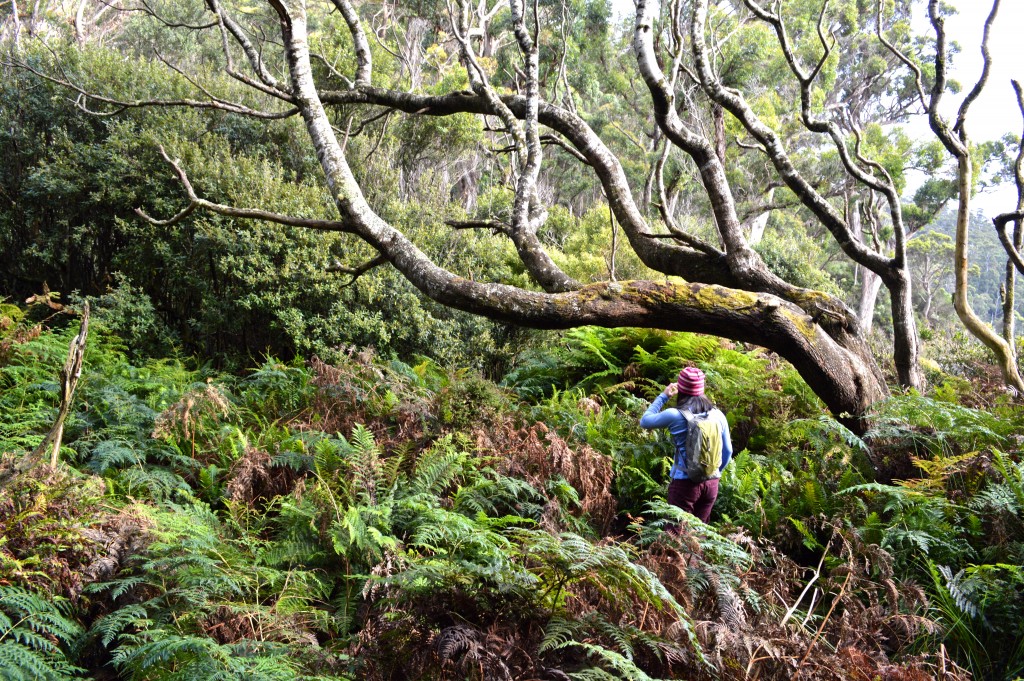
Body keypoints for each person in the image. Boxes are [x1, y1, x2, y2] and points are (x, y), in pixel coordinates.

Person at [640, 367, 733, 523]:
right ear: (701, 389)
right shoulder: (718, 415)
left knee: (676, 534)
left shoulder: (674, 415)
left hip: (685, 484)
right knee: (700, 534)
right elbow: (728, 451)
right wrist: (712, 474)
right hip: (711, 484)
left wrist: (664, 396)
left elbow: (645, 421)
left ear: (681, 389)